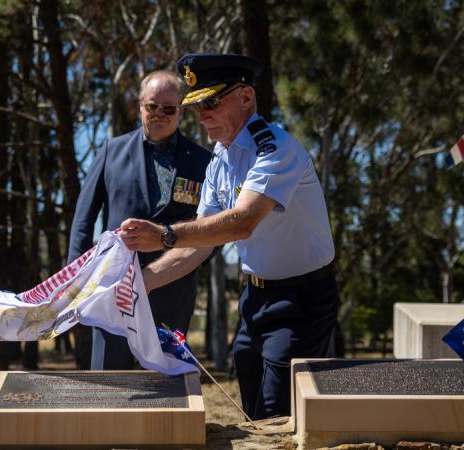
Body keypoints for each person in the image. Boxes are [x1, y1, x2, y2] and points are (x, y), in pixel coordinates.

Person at [119, 53, 338, 419]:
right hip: (254, 297)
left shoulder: (276, 149)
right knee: (252, 407)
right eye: (196, 105)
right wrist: (139, 283)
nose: (202, 114)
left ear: (246, 98)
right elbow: (201, 245)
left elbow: (242, 222)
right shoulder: (220, 158)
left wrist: (166, 234)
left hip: (302, 300)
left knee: (277, 412)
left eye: (211, 102)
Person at [68, 70, 211, 370]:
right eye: (152, 106)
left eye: (169, 109)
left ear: (181, 111)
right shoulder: (111, 151)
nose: (160, 114)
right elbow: (84, 219)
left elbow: (210, 227)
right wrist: (76, 280)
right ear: (140, 106)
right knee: (110, 380)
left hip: (173, 288)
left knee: (167, 383)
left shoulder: (202, 161)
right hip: (113, 286)